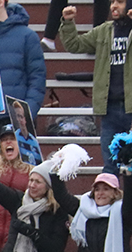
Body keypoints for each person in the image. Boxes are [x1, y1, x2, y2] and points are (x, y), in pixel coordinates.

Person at [59, 2, 130, 173]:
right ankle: (110, 199)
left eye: (119, 2)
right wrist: (68, 23)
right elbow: (75, 45)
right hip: (109, 108)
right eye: (112, 2)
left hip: (130, 108)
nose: (113, 6)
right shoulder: (104, 30)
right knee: (110, 166)